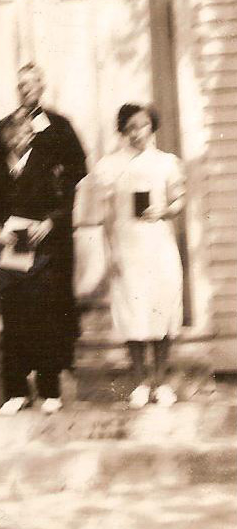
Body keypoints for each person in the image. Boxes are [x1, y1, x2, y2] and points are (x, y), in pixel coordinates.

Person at [0, 64, 87, 415]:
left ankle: (50, 385)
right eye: (21, 85)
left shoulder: (58, 127)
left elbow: (73, 177)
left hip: (48, 243)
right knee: (13, 317)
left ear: (42, 86)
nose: (26, 89)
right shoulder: (1, 136)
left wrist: (52, 221)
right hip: (11, 248)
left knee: (49, 314)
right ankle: (16, 390)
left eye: (32, 84)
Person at [92, 102, 185, 409]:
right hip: (127, 247)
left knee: (161, 309)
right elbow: (106, 215)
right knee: (133, 313)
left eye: (143, 125)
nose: (137, 133)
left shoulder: (166, 163)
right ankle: (141, 382)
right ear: (122, 130)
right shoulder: (110, 166)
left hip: (158, 245)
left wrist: (164, 210)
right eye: (130, 127)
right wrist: (111, 252)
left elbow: (179, 200)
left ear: (151, 127)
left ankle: (161, 381)